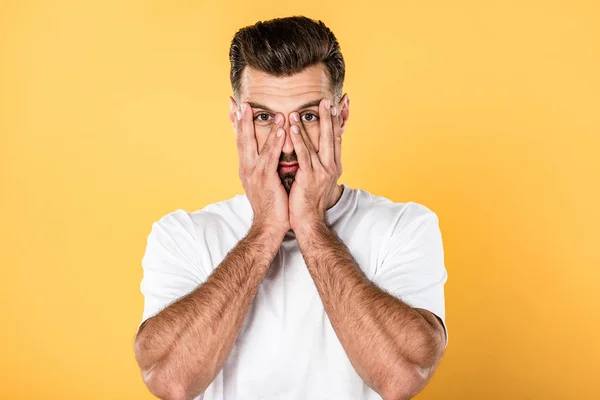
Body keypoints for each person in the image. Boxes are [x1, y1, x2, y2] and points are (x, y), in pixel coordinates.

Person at [133, 15, 448, 400]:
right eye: (265, 117)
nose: (286, 144)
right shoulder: (182, 234)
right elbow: (171, 381)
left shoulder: (404, 226)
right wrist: (266, 229)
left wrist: (311, 225)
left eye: (308, 116)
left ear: (341, 115)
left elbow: (401, 377)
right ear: (237, 119)